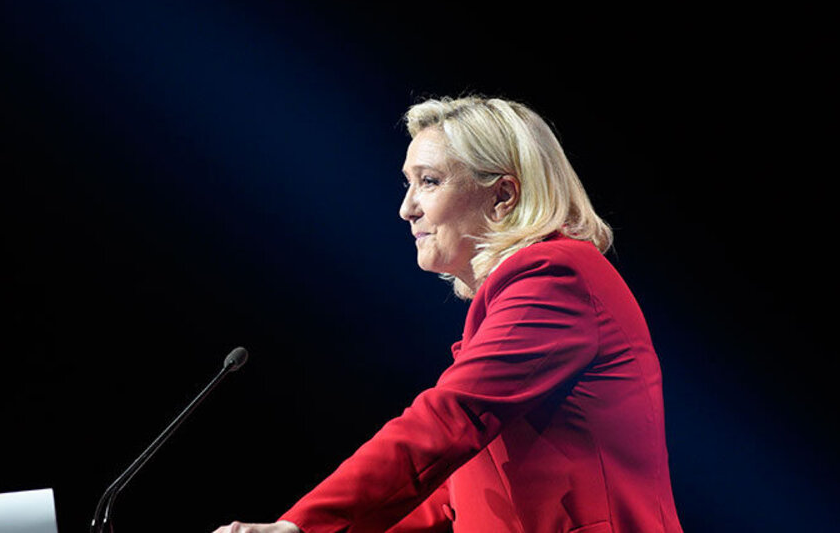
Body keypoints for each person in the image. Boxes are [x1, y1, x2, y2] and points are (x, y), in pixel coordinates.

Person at [213, 96, 683, 533]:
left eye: (429, 181)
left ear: (503, 196)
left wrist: (300, 526)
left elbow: (448, 420)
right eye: (409, 183)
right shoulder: (526, 292)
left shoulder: (558, 277)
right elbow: (457, 486)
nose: (406, 208)